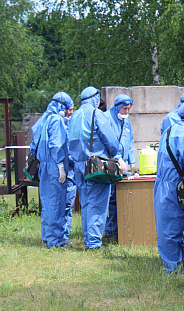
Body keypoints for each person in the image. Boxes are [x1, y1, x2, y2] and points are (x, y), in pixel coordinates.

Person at [68, 86, 126, 250]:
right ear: (96, 99)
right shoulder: (97, 114)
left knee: (86, 203)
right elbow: (109, 137)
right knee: (98, 204)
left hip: (79, 165)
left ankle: (89, 239)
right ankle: (93, 243)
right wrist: (118, 155)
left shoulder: (75, 115)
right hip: (96, 165)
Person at [154, 101, 184, 273]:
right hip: (179, 185)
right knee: (180, 226)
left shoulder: (169, 130)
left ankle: (171, 266)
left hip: (162, 184)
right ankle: (174, 270)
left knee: (167, 227)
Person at [30, 92, 72, 248]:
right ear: (62, 106)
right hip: (54, 166)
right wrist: (61, 166)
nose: (68, 112)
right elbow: (56, 144)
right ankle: (56, 241)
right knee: (56, 203)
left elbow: (34, 145)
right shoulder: (55, 120)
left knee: (47, 203)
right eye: (68, 108)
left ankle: (48, 237)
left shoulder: (45, 118)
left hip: (44, 166)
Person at [104, 94, 138, 240]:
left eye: (129, 109)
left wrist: (132, 163)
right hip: (110, 162)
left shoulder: (126, 120)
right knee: (111, 199)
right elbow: (107, 141)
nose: (126, 112)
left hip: (123, 165)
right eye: (124, 109)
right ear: (117, 106)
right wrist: (117, 158)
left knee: (120, 197)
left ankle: (121, 230)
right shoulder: (106, 118)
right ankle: (111, 232)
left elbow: (129, 141)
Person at [59, 98, 76, 240]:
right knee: (63, 204)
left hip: (69, 171)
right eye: (68, 109)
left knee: (68, 205)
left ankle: (64, 234)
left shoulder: (69, 124)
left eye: (72, 110)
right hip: (64, 170)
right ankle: (61, 236)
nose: (70, 113)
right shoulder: (58, 125)